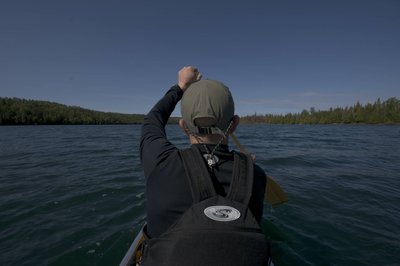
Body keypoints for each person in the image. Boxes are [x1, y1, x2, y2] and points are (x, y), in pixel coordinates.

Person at [140, 66, 269, 265]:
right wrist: (247, 167)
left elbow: (152, 120)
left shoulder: (161, 162)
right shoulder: (257, 175)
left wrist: (181, 86)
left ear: (183, 126)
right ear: (234, 124)